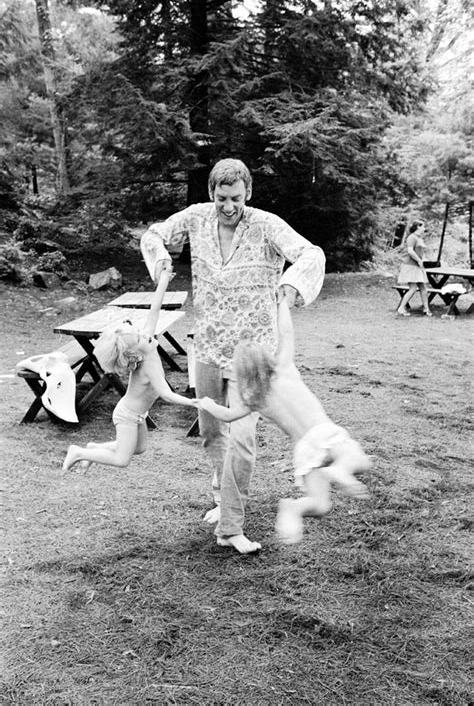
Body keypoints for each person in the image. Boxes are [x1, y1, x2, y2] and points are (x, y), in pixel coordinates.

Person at [141, 157, 325, 553]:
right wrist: (160, 260)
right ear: (211, 194)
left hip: (251, 355)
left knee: (241, 437)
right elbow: (154, 235)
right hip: (206, 346)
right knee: (211, 432)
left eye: (236, 198)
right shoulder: (196, 218)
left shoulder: (266, 224)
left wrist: (290, 286)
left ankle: (231, 527)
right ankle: (221, 496)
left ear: (248, 194)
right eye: (222, 198)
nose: (229, 206)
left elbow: (311, 254)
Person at [197, 297, 370, 545]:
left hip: (304, 451)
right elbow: (286, 332)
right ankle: (341, 469)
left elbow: (226, 415)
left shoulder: (253, 398)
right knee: (359, 459)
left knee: (319, 504)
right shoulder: (285, 367)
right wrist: (284, 303)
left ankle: (293, 508)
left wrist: (208, 404)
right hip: (323, 433)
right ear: (267, 356)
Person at [62, 272, 198, 472]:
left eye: (141, 334)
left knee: (140, 448)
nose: (146, 335)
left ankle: (94, 448)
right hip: (127, 415)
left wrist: (163, 281)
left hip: (138, 413)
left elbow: (154, 311)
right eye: (140, 338)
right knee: (121, 459)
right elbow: (166, 394)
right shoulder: (148, 365)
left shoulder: (146, 347)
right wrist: (193, 402)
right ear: (134, 354)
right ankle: (79, 452)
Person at [397, 221, 432, 317]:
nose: (424, 228)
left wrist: (423, 259)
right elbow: (410, 251)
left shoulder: (419, 238)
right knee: (413, 288)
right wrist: (419, 260)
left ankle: (426, 309)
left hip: (418, 266)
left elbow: (420, 251)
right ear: (418, 227)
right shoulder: (411, 237)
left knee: (423, 287)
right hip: (410, 265)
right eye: (423, 226)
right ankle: (401, 308)